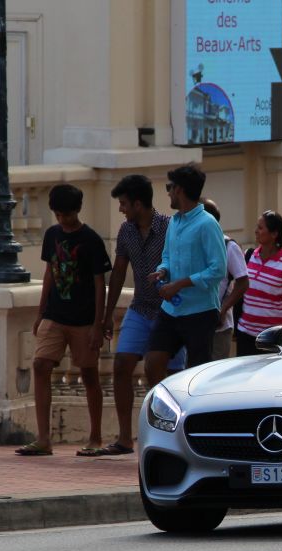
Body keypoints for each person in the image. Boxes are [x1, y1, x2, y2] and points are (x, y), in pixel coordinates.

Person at [18, 183, 112, 457]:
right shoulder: (52, 235)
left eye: (66, 215)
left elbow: (99, 284)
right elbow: (49, 273)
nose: (62, 220)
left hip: (83, 320)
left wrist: (98, 323)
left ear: (77, 210)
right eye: (58, 215)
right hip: (55, 315)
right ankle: (43, 438)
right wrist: (40, 312)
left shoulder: (91, 240)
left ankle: (95, 436)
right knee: (40, 364)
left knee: (89, 374)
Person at [96, 174, 169, 457]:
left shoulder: (169, 228)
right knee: (121, 365)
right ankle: (125, 438)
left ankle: (162, 436)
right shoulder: (126, 232)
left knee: (164, 376)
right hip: (139, 308)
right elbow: (118, 273)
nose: (121, 209)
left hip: (168, 312)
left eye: (124, 203)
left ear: (139, 203)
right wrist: (107, 314)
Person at [145, 163, 226, 375]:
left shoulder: (207, 224)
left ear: (179, 189)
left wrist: (179, 285)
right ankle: (163, 407)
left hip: (200, 312)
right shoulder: (174, 222)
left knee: (197, 373)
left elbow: (218, 269)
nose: (168, 193)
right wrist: (162, 271)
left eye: (169, 188)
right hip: (171, 309)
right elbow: (168, 256)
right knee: (153, 361)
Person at [237, 209, 282, 355]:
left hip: (273, 336)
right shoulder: (248, 255)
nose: (256, 231)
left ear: (274, 234)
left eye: (260, 228)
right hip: (245, 332)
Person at [201, 199, 249, 361]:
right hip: (194, 322)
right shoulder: (193, 243)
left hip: (219, 327)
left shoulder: (228, 246)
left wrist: (223, 309)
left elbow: (243, 282)